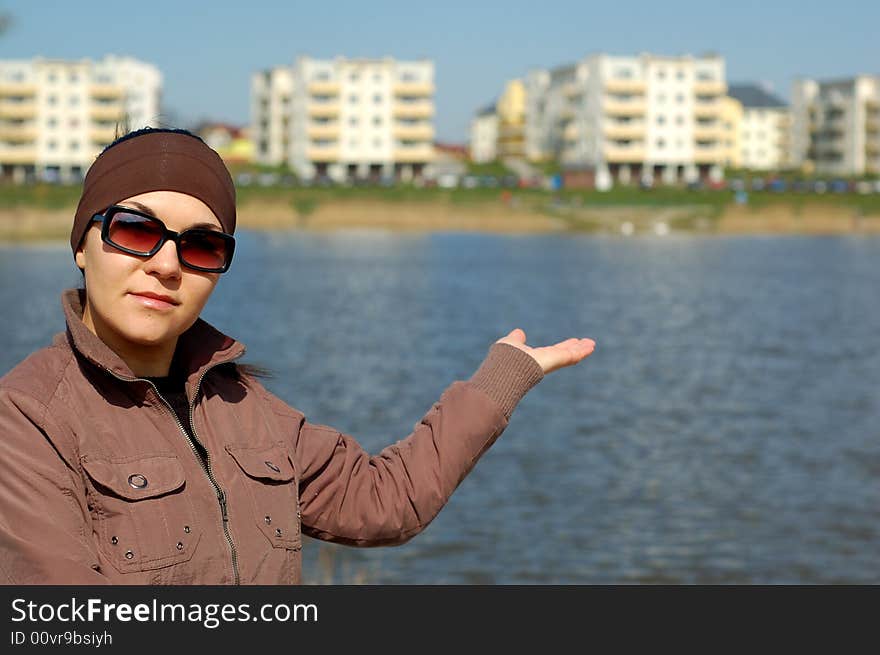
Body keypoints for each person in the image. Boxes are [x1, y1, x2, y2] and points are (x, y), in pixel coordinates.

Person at [0, 127, 595, 585]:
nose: (165, 264)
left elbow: (382, 501)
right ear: (83, 244)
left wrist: (501, 380)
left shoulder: (240, 404)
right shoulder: (28, 418)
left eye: (202, 245)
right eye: (135, 231)